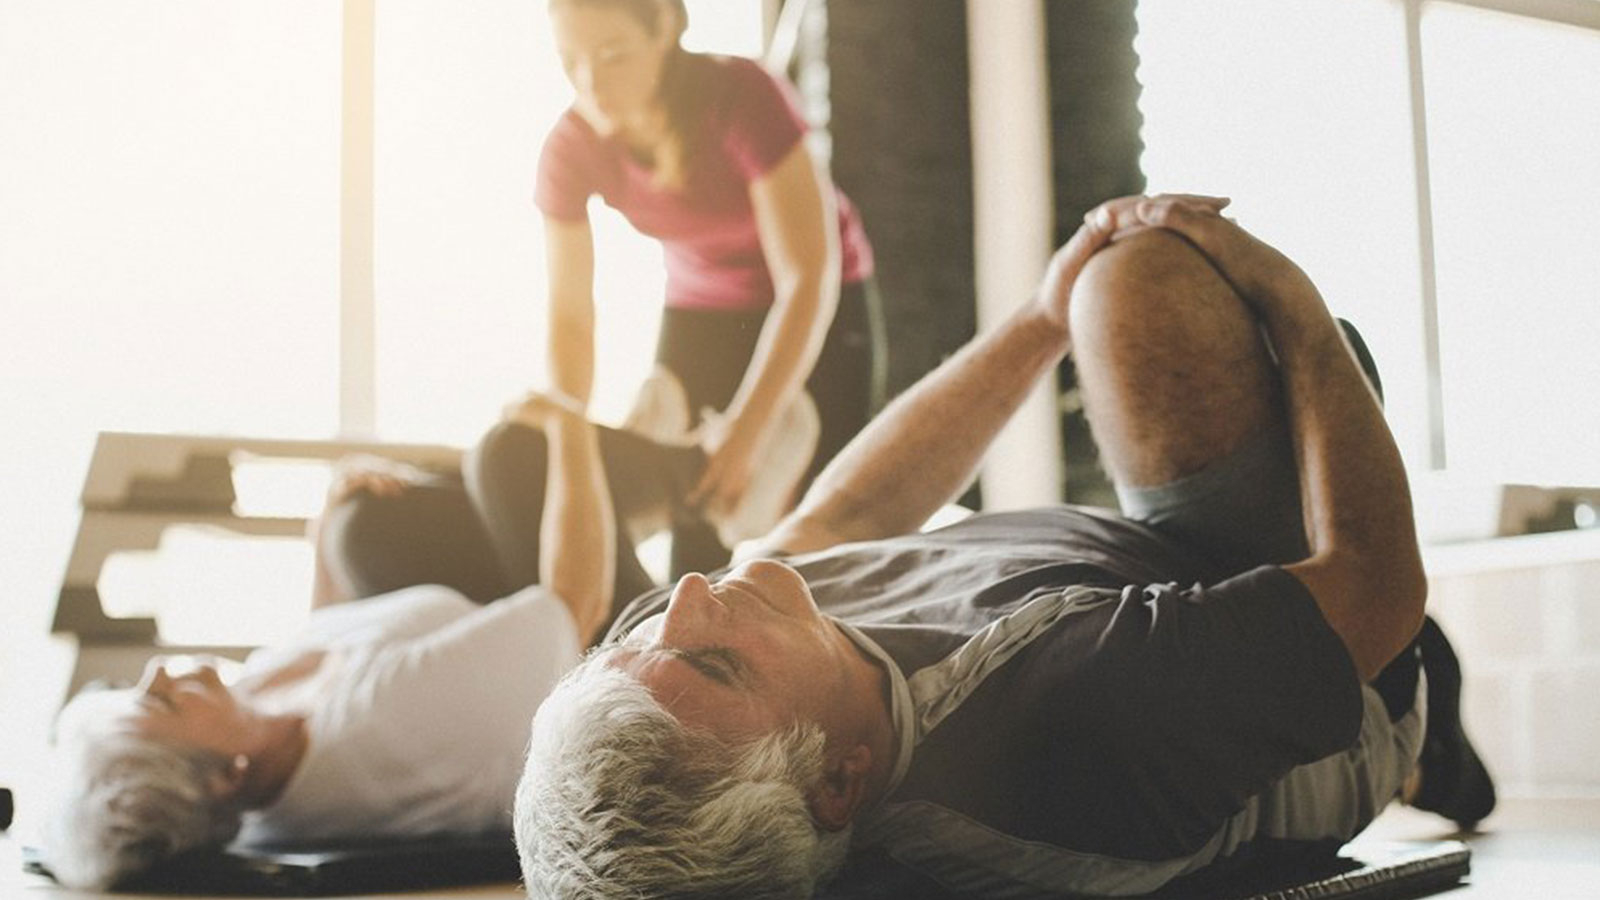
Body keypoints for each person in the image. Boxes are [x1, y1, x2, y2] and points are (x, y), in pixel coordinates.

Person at [513, 194, 1498, 899]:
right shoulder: (1065, 726)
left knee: (1094, 296)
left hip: (1137, 583)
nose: (686, 595)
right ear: (843, 782)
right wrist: (1296, 307)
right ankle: (1423, 734)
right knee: (1149, 284)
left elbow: (845, 514)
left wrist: (1041, 314)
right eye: (712, 660)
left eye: (627, 647)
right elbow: (1374, 589)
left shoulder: (704, 680)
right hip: (1344, 668)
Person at [38, 392, 622, 891]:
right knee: (514, 454)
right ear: (225, 780)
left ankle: (678, 465)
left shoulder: (256, 737)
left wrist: (328, 518)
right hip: (597, 634)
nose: (157, 675)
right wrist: (568, 421)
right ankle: (688, 471)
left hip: (466, 611)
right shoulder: (389, 721)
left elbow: (321, 633)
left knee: (359, 525)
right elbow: (578, 600)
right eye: (159, 700)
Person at [537, 0, 885, 575]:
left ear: (667, 27)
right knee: (695, 524)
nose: (589, 81)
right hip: (700, 306)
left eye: (612, 54)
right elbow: (571, 319)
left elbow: (805, 278)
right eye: (569, 59)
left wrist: (747, 434)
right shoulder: (570, 148)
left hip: (820, 297)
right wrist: (568, 439)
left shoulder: (743, 96)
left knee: (824, 522)